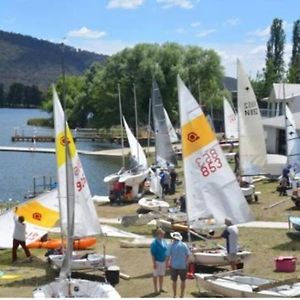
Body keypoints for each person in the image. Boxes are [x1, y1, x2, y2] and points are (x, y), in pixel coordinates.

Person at [166, 232, 191, 298]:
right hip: (183, 266)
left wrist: (167, 264)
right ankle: (182, 295)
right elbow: (188, 255)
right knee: (183, 281)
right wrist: (186, 262)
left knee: (174, 281)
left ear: (173, 238)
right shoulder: (184, 245)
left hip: (174, 266)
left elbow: (168, 256)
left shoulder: (170, 245)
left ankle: (174, 295)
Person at [150, 228, 168, 295]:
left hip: (163, 261)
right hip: (157, 261)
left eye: (163, 235)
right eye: (162, 234)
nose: (163, 236)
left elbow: (166, 250)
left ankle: (161, 288)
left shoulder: (164, 241)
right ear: (158, 235)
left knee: (162, 275)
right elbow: (153, 254)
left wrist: (166, 261)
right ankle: (155, 289)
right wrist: (154, 263)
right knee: (155, 275)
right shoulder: (154, 243)